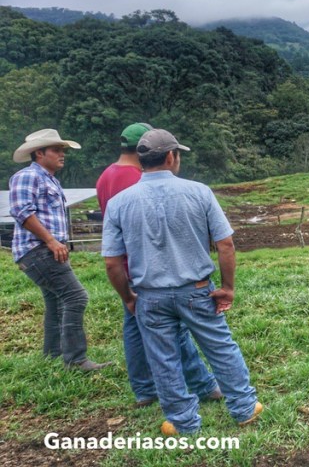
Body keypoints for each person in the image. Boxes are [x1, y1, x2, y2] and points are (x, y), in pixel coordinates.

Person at [102, 129, 261, 435]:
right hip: (197, 289)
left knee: (163, 358)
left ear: (141, 160)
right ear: (172, 156)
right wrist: (227, 287)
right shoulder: (199, 192)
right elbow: (225, 244)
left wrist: (129, 297)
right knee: (219, 346)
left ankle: (182, 421)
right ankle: (243, 407)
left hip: (150, 295)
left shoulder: (120, 203)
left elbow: (111, 262)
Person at [96, 122, 222, 408]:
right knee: (172, 331)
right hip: (151, 269)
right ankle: (200, 386)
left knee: (136, 328)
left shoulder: (106, 176)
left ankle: (145, 388)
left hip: (125, 268)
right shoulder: (136, 179)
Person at [8, 129, 111, 371]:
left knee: (56, 301)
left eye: (62, 150)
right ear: (39, 153)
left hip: (43, 249)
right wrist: (52, 241)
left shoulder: (49, 179)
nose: (62, 154)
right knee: (76, 297)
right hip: (38, 249)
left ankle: (53, 355)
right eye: (56, 150)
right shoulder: (28, 176)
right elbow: (22, 211)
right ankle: (75, 360)